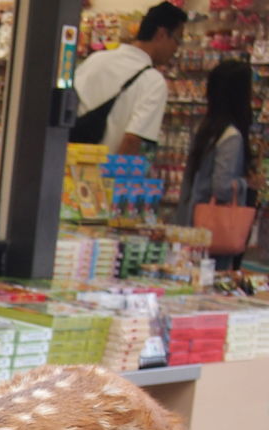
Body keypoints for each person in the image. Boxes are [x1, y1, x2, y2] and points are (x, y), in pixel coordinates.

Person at [72, 1, 187, 155]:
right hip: (104, 173)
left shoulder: (96, 59)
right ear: (161, 34)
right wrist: (118, 178)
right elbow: (132, 141)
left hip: (67, 167)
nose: (176, 49)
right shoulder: (153, 82)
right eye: (177, 40)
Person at [175, 59, 256, 268]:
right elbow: (221, 187)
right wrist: (247, 184)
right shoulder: (231, 136)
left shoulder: (208, 130)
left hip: (192, 224)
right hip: (214, 232)